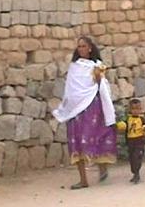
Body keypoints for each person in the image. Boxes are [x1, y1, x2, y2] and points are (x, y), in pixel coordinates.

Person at [52, 36, 117, 190]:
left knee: (98, 135)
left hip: (92, 106)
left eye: (83, 46)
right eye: (78, 46)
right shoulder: (74, 67)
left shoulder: (97, 66)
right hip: (75, 110)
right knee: (77, 141)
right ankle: (83, 179)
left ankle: (102, 168)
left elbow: (102, 86)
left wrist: (98, 77)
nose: (80, 49)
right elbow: (71, 88)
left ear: (90, 48)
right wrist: (67, 106)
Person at [116, 98, 145, 184]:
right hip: (130, 142)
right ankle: (134, 172)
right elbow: (124, 127)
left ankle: (137, 174)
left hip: (139, 141)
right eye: (133, 109)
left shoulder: (142, 120)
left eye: (138, 109)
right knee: (131, 158)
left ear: (140, 109)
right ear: (130, 110)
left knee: (137, 157)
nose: (136, 111)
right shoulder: (128, 119)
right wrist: (119, 126)